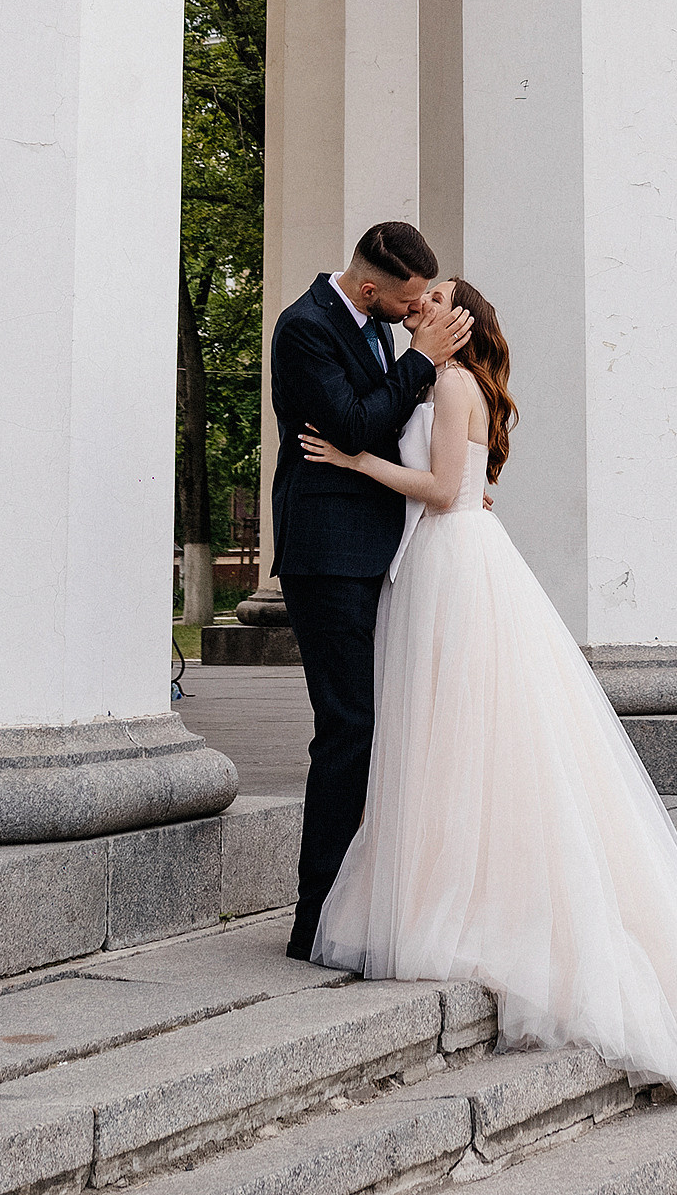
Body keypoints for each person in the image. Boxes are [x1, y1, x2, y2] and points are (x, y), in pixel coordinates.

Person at [297, 278, 677, 1101]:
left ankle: (459, 898)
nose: (423, 299)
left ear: (462, 320)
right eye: (421, 292)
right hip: (454, 557)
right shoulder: (451, 379)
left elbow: (447, 492)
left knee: (456, 728)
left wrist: (353, 458)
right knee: (454, 733)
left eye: (440, 295)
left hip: (453, 558)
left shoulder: (449, 382)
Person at [267, 220, 473, 960]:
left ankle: (363, 907)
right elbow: (354, 428)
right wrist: (420, 362)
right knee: (349, 729)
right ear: (367, 289)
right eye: (409, 301)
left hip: (382, 550)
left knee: (381, 728)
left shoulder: (381, 329)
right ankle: (314, 919)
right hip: (326, 555)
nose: (418, 314)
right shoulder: (304, 329)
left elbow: (395, 430)